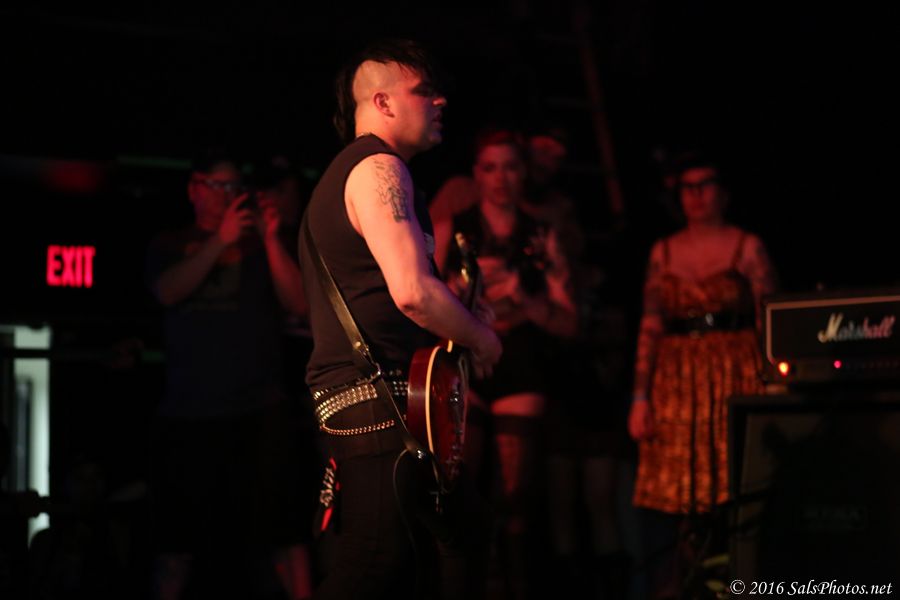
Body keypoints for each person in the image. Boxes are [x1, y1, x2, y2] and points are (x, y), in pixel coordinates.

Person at [298, 39, 501, 600]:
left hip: (384, 399)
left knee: (456, 536)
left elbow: (396, 297)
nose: (440, 102)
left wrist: (458, 314)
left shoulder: (364, 172)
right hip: (374, 400)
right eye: (423, 91)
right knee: (374, 567)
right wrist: (482, 338)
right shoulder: (377, 167)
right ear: (382, 102)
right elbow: (412, 294)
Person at [146, 150, 308, 600]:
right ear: (194, 189)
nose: (227, 195)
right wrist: (220, 241)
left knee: (284, 534)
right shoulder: (170, 243)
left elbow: (299, 304)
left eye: (234, 187)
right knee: (177, 545)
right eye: (218, 186)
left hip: (259, 410)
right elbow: (167, 291)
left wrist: (271, 240)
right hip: (190, 413)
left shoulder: (261, 245)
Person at [435, 128, 577, 600]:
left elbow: (570, 321)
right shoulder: (454, 227)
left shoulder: (541, 235)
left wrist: (524, 300)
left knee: (515, 497)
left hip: (520, 362)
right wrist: (465, 299)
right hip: (468, 361)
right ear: (476, 174)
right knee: (461, 485)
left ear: (524, 173)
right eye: (490, 168)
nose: (500, 178)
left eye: (510, 167)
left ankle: (513, 585)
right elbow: (424, 305)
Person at [627, 155, 777, 599]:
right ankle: (683, 584)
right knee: (680, 493)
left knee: (733, 483)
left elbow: (769, 317)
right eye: (687, 187)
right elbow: (650, 324)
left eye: (705, 185)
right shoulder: (663, 251)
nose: (695, 196)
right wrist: (640, 397)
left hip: (732, 370)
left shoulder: (746, 246)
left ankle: (737, 580)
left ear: (723, 193)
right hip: (677, 377)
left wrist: (772, 380)